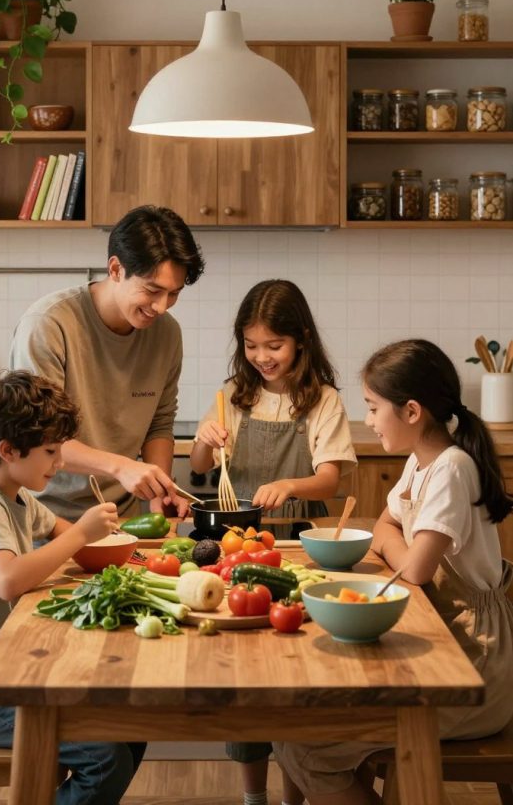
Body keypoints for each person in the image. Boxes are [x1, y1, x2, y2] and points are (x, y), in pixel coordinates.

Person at [274, 338, 513, 805]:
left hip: (473, 670)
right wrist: (393, 543)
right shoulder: (420, 462)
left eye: (372, 407)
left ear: (410, 412)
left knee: (307, 748)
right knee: (292, 732)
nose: (367, 421)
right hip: (437, 653)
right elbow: (383, 525)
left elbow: (418, 569)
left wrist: (393, 545)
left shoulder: (451, 469)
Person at [0, 370, 146, 805]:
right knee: (104, 758)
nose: (59, 463)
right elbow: (8, 580)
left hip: (8, 675)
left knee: (131, 728)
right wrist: (81, 535)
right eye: (50, 452)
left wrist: (132, 557)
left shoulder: (17, 496)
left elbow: (63, 529)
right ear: (8, 450)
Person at [191, 279, 357, 805]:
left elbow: (330, 479)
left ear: (301, 340)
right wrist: (201, 439)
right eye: (251, 345)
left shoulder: (323, 400)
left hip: (301, 541)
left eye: (274, 346)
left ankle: (294, 796)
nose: (261, 357)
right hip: (240, 541)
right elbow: (199, 470)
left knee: (295, 675)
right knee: (245, 680)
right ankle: (253, 796)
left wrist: (292, 484)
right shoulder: (232, 396)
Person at [9, 204, 205, 521]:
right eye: (152, 290)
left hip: (118, 520)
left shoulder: (167, 334)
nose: (161, 307)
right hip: (43, 519)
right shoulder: (49, 324)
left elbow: (159, 424)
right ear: (115, 269)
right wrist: (121, 465)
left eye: (174, 293)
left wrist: (159, 490)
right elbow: (38, 436)